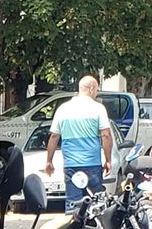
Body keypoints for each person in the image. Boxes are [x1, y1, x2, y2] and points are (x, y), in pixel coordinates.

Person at [43, 76, 113, 210]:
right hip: (93, 164)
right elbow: (106, 135)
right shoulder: (98, 108)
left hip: (71, 166)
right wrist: (108, 160)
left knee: (73, 204)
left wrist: (49, 161)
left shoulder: (63, 109)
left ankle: (73, 228)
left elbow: (54, 136)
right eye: (96, 90)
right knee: (96, 203)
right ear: (92, 89)